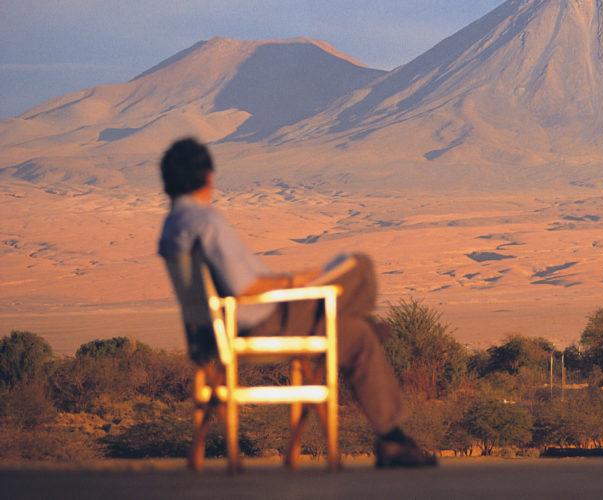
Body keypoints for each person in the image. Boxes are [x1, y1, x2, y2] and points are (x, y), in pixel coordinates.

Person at [157, 137, 436, 468]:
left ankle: (393, 440)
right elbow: (243, 286)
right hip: (258, 323)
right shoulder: (206, 222)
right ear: (207, 177)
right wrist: (295, 282)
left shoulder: (172, 226)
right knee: (359, 267)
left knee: (355, 336)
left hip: (209, 334)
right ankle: (388, 425)